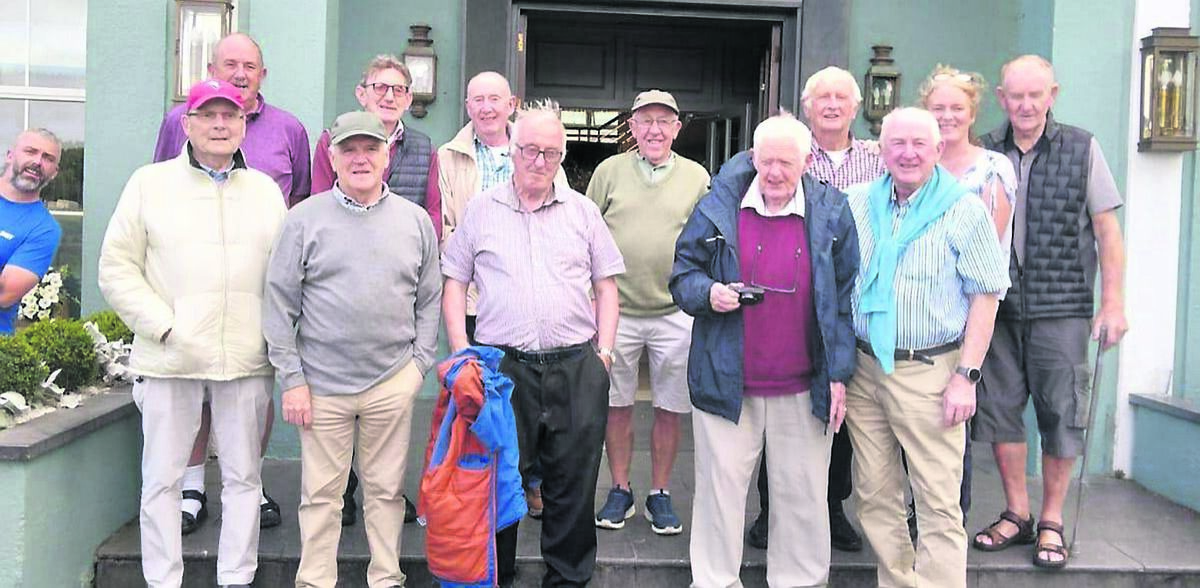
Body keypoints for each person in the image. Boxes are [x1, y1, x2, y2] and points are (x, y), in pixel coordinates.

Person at [99, 78, 286, 588]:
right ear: (188, 125)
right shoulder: (149, 183)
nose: (221, 125)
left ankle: (237, 577)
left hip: (246, 360)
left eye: (231, 116)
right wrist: (163, 327)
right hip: (171, 358)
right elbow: (116, 268)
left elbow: (284, 274)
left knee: (245, 479)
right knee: (162, 480)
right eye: (209, 115)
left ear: (245, 125)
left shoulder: (266, 191)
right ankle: (162, 580)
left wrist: (275, 339)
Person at [670, 112, 859, 587]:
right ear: (753, 157)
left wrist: (838, 375)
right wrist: (708, 293)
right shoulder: (718, 207)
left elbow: (842, 302)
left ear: (808, 161)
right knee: (719, 495)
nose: (774, 172)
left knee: (802, 497)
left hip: (803, 383)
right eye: (766, 161)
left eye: (786, 163)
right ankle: (714, 582)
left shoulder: (832, 211)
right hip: (727, 380)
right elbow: (682, 276)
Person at [441, 99, 625, 587]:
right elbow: (454, 281)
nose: (540, 162)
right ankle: (493, 578)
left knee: (573, 482)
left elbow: (607, 286)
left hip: (575, 366)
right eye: (530, 151)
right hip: (503, 372)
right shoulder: (481, 210)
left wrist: (603, 354)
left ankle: (567, 580)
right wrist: (463, 352)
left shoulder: (583, 212)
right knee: (499, 483)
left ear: (561, 156)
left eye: (551, 152)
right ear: (514, 152)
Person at [262, 110, 441, 588]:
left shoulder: (415, 221)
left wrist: (418, 367)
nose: (360, 158)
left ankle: (386, 578)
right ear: (332, 157)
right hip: (321, 387)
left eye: (370, 149)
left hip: (391, 382)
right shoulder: (304, 220)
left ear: (387, 156)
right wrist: (293, 381)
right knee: (322, 494)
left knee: (385, 493)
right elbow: (278, 305)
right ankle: (315, 580)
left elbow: (429, 298)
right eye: (349, 150)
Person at [972, 55, 1128, 569]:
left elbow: (1107, 231)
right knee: (999, 410)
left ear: (1052, 95)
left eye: (1035, 95)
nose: (1025, 104)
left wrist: (1113, 303)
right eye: (1016, 95)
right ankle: (1017, 512)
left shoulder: (1083, 148)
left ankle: (1052, 519)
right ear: (1002, 98)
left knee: (1062, 413)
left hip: (1063, 307)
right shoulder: (984, 151)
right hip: (998, 305)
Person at [843, 107, 1009, 588]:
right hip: (864, 367)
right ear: (881, 151)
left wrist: (967, 376)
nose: (908, 153)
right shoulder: (856, 203)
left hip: (932, 373)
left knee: (938, 500)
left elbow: (987, 295)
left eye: (920, 144)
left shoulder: (964, 208)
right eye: (897, 143)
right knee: (874, 494)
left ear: (939, 151)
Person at [151, 31, 311, 532]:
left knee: (252, 393)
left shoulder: (289, 129)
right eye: (230, 64)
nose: (240, 74)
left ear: (263, 74)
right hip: (190, 287)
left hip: (259, 292)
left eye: (249, 66)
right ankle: (193, 485)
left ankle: (251, 481)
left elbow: (300, 202)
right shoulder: (180, 121)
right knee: (195, 388)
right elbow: (159, 190)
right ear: (212, 69)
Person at [748, 65, 881, 553]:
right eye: (821, 97)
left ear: (855, 107)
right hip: (795, 301)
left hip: (855, 296)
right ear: (806, 107)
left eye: (840, 98)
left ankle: (832, 507)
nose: (830, 105)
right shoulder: (785, 151)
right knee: (779, 413)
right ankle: (770, 512)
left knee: (834, 413)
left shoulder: (878, 158)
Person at [588, 90, 710, 536]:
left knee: (669, 407)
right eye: (645, 121)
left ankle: (660, 492)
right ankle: (620, 489)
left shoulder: (697, 177)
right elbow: (587, 232)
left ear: (678, 128)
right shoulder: (608, 172)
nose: (654, 130)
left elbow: (709, 240)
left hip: (675, 310)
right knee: (615, 405)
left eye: (664, 121)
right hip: (614, 309)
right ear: (632, 127)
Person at [907, 64, 1019, 530]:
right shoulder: (914, 164)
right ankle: (912, 515)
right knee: (911, 427)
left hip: (961, 321)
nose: (948, 116)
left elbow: (983, 254)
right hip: (914, 321)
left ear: (973, 111)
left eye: (957, 108)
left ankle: (948, 520)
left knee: (951, 421)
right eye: (938, 108)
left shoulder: (991, 169)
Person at [308, 55, 440, 240]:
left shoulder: (425, 150)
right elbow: (319, 208)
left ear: (409, 99)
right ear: (361, 94)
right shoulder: (333, 142)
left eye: (398, 90)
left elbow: (433, 216)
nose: (389, 97)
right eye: (380, 88)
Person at [0, 128, 63, 335]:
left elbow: (5, 294)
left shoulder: (44, 229)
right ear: (10, 155)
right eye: (30, 151)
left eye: (48, 158)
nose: (38, 161)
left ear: (54, 172)